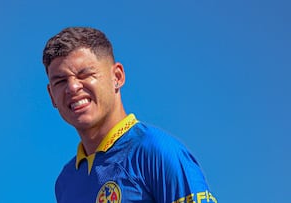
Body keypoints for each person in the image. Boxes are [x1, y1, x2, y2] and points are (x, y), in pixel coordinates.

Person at [42, 27, 217, 203]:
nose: (72, 87)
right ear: (52, 96)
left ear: (117, 77)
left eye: (85, 74)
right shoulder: (65, 182)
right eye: (61, 81)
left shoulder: (156, 152)